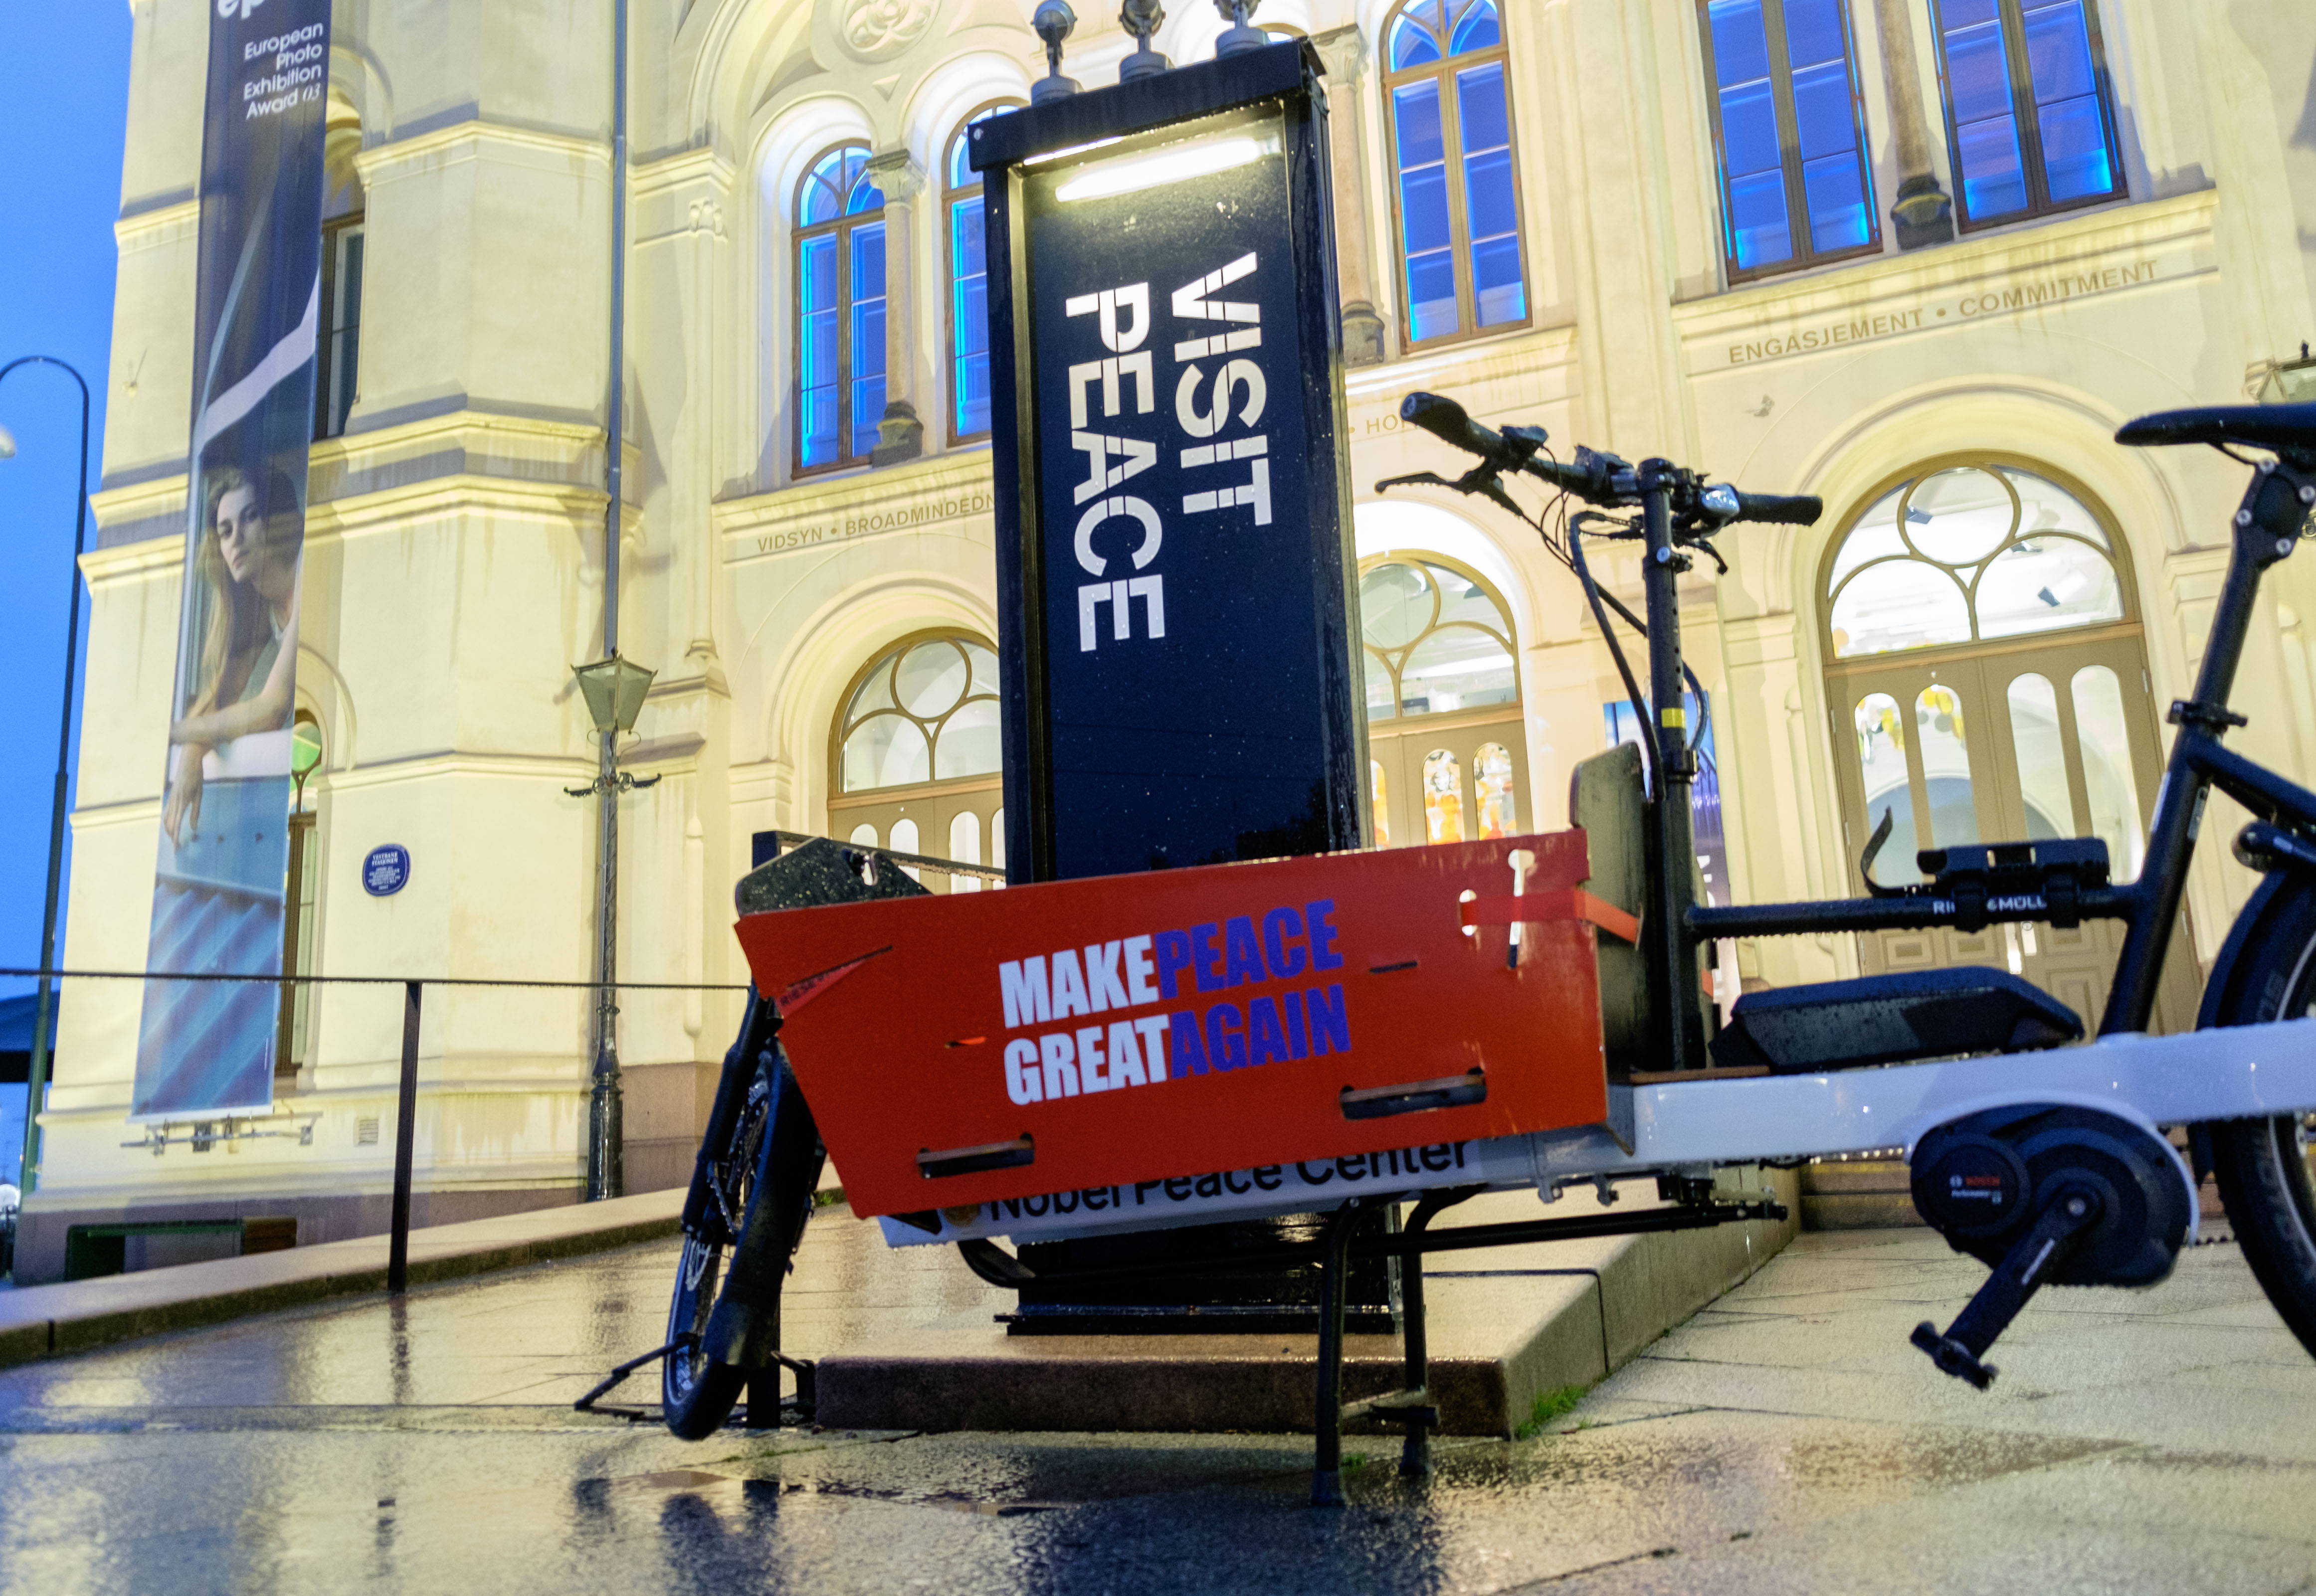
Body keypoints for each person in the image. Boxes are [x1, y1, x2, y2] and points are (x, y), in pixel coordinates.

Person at [162, 466, 302, 846]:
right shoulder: (262, 610)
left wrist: (174, 734)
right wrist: (192, 752)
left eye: (250, 517)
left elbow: (271, 707)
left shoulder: (307, 575)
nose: (236, 539)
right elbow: (221, 702)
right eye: (225, 531)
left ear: (273, 518)